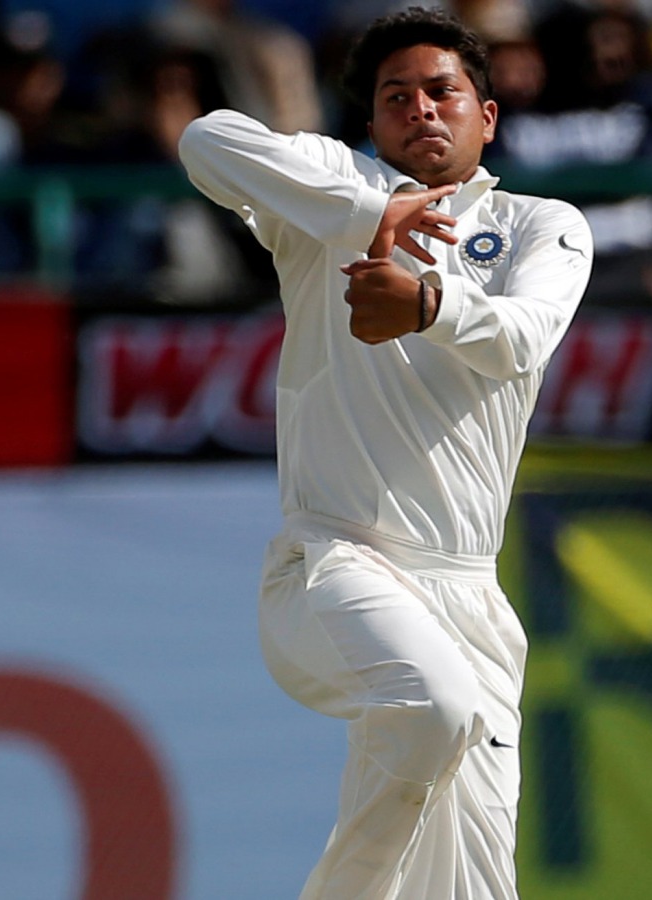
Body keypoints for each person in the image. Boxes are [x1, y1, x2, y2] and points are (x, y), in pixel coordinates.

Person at [177, 7, 594, 898]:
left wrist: (428, 307)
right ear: (370, 125)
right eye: (395, 97)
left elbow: (524, 336)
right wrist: (374, 213)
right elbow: (206, 140)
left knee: (474, 881)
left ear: (488, 114)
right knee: (428, 707)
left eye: (443, 91)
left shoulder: (540, 224)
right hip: (333, 557)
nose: (421, 110)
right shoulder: (332, 189)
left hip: (470, 592)